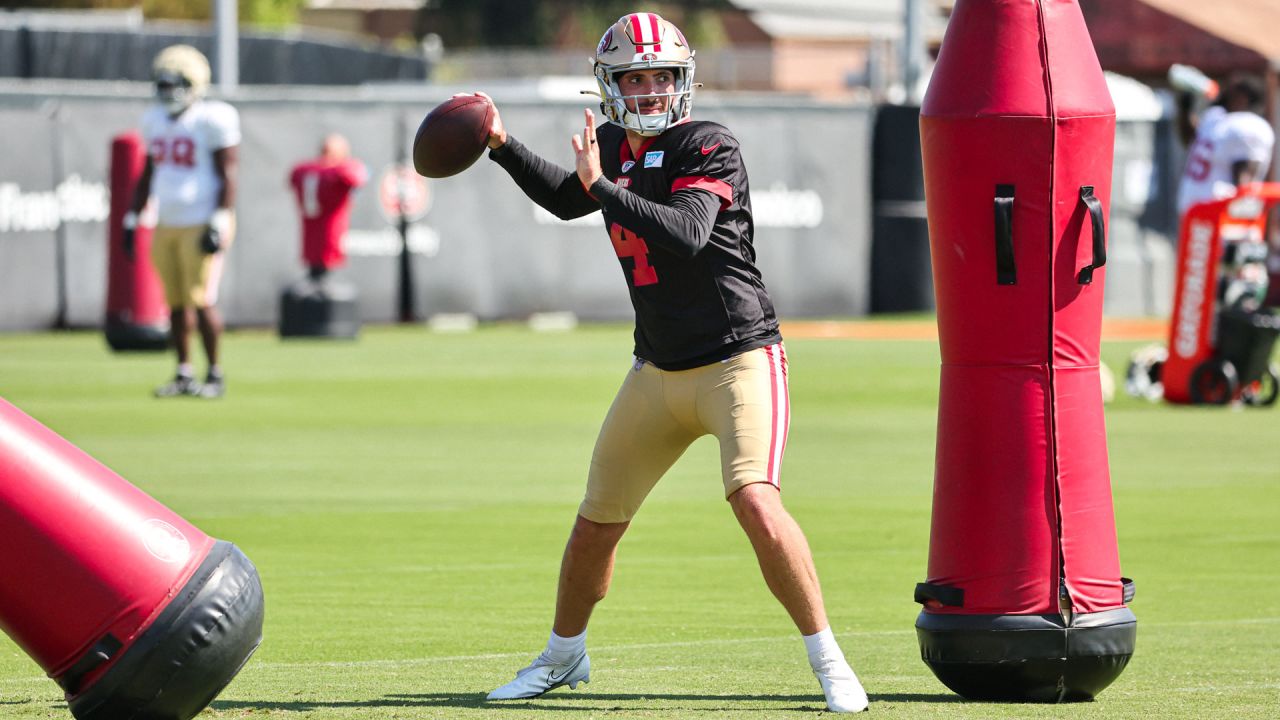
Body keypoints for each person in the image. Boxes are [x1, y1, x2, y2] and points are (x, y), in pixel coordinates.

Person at [474, 12, 868, 713]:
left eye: (661, 77)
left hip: (737, 361)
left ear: (682, 82)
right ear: (610, 86)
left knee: (755, 498)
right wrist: (501, 146)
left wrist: (601, 188)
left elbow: (687, 234)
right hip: (656, 370)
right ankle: (564, 656)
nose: (651, 90)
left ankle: (828, 657)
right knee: (596, 521)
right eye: (635, 78)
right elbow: (569, 200)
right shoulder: (615, 147)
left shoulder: (707, 142)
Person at [122, 44, 239, 399]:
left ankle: (215, 374)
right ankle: (184, 372)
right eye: (164, 85)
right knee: (174, 303)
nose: (169, 92)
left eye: (176, 85)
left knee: (201, 299)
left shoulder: (212, 118)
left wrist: (219, 220)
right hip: (167, 220)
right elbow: (148, 172)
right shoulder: (153, 120)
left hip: (203, 219)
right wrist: (132, 217)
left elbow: (228, 173)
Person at [1175, 73, 1275, 217]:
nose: (1225, 93)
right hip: (1196, 217)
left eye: (1231, 91)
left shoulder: (1246, 125)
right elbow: (1191, 140)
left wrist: (1237, 222)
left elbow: (1244, 183)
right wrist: (1185, 108)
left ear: (1242, 98)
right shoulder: (1216, 118)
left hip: (1222, 222)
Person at [288, 134, 368, 280]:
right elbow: (358, 176)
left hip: (309, 243)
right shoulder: (338, 172)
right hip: (331, 242)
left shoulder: (303, 170)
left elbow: (292, 177)